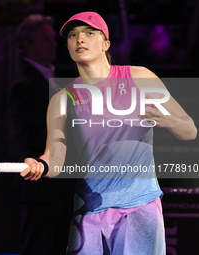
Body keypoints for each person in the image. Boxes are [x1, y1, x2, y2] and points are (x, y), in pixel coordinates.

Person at [20, 11, 197, 255]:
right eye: (73, 35)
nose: (80, 39)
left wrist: (167, 120)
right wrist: (40, 165)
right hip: (88, 212)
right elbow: (56, 158)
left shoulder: (140, 77)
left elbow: (190, 130)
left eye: (89, 33)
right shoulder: (62, 99)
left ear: (106, 44)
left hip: (138, 206)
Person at [9, 14, 75, 255]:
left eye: (53, 39)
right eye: (44, 39)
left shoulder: (59, 83)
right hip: (43, 189)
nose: (53, 43)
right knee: (38, 248)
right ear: (27, 44)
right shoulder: (25, 87)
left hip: (65, 187)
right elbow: (32, 137)